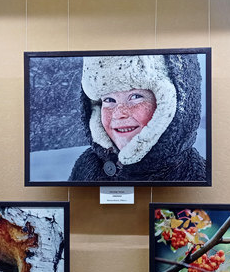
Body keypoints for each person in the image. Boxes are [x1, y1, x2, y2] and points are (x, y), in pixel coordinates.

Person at [68, 53, 207, 182]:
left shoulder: (196, 176)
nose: (119, 114)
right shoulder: (87, 167)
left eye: (135, 96)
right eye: (109, 100)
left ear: (170, 105)